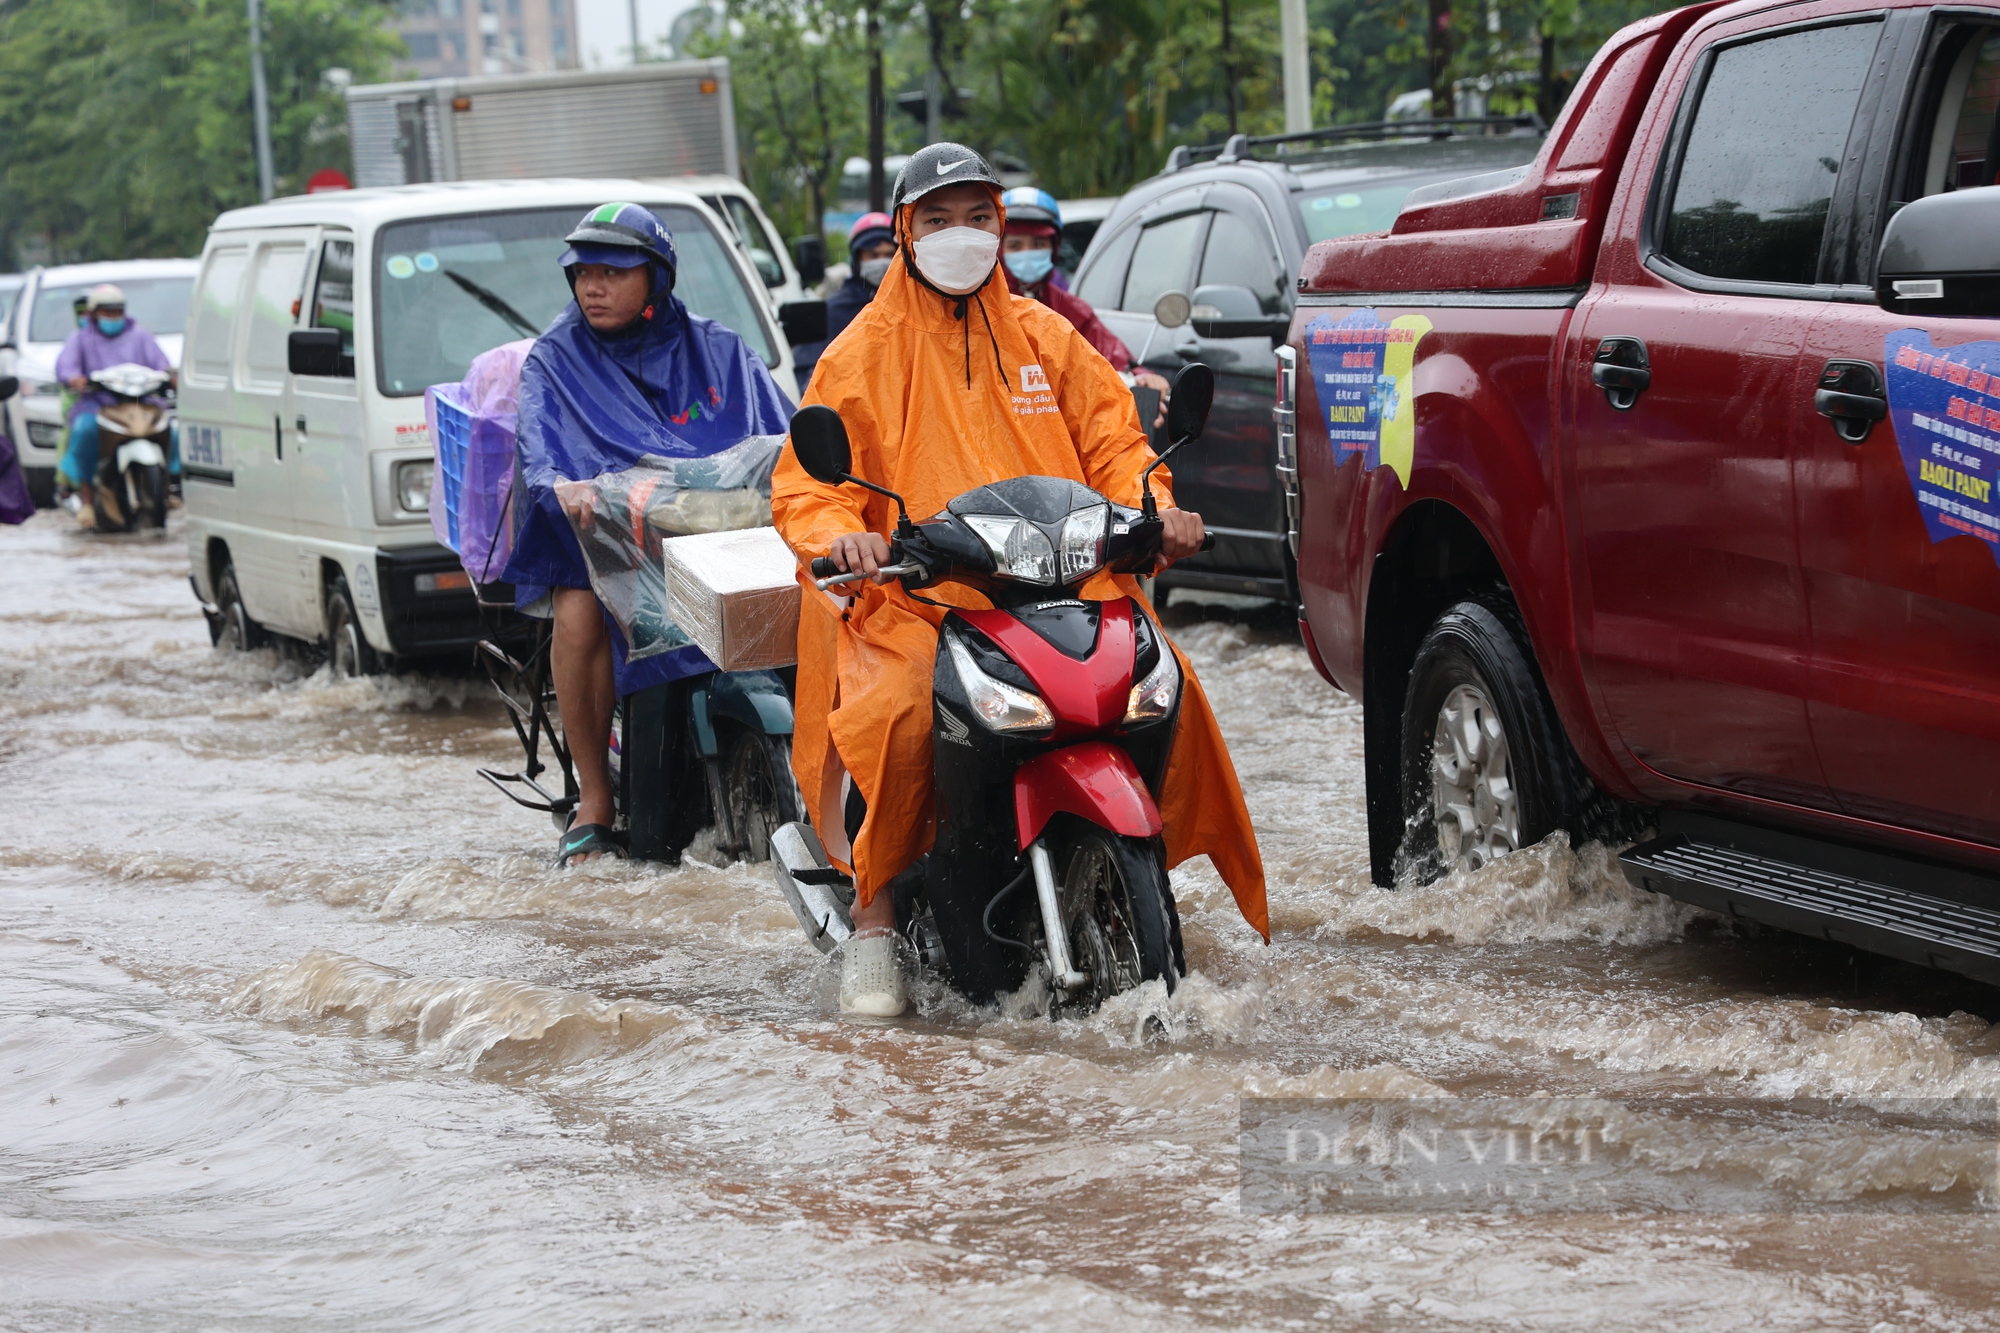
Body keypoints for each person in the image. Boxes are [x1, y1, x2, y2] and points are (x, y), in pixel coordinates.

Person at [772, 144, 1267, 1017]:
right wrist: (844, 535)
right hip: (914, 597)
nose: (959, 236)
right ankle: (876, 917)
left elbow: (1118, 442)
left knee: (1167, 681)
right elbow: (809, 488)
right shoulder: (859, 355)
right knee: (894, 714)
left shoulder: (1046, 336)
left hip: (1061, 587)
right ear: (902, 232)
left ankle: (1143, 867)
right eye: (936, 219)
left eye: (976, 217)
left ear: (1000, 226)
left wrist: (1159, 507)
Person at [503, 203, 793, 867]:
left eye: (612, 271)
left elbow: (784, 424)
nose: (592, 287)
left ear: (655, 278)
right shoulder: (554, 357)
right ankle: (596, 797)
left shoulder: (717, 347)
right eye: (582, 272)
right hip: (605, 541)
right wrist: (565, 487)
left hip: (716, 530)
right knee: (576, 617)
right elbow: (542, 448)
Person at [56, 284, 174, 524]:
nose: (113, 317)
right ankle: (87, 500)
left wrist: (170, 376)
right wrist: (74, 378)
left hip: (140, 403)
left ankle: (170, 485)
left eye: (117, 311)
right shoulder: (80, 339)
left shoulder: (140, 336)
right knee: (84, 431)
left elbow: (161, 363)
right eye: (107, 312)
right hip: (97, 405)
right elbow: (66, 367)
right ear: (94, 313)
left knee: (170, 427)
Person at [791, 211, 896, 393]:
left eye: (889, 254)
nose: (881, 262)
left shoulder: (914, 307)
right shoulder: (833, 311)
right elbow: (808, 375)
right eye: (873, 255)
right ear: (857, 258)